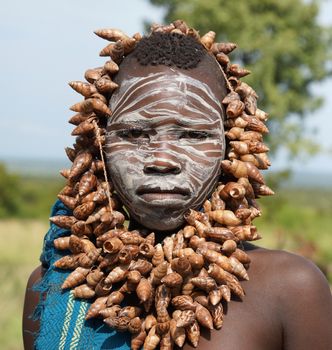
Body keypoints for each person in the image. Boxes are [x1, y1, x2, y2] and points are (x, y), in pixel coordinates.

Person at [23, 21, 332, 350]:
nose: (162, 160)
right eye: (134, 134)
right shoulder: (52, 292)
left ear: (234, 147)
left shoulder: (289, 289)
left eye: (194, 135)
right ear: (97, 147)